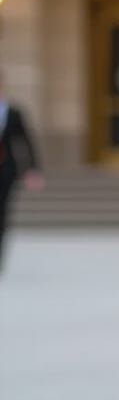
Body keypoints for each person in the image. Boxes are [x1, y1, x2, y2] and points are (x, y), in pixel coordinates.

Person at [0, 70, 44, 272]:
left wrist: (32, 169)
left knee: (2, 213)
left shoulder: (13, 112)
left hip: (5, 171)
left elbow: (26, 142)